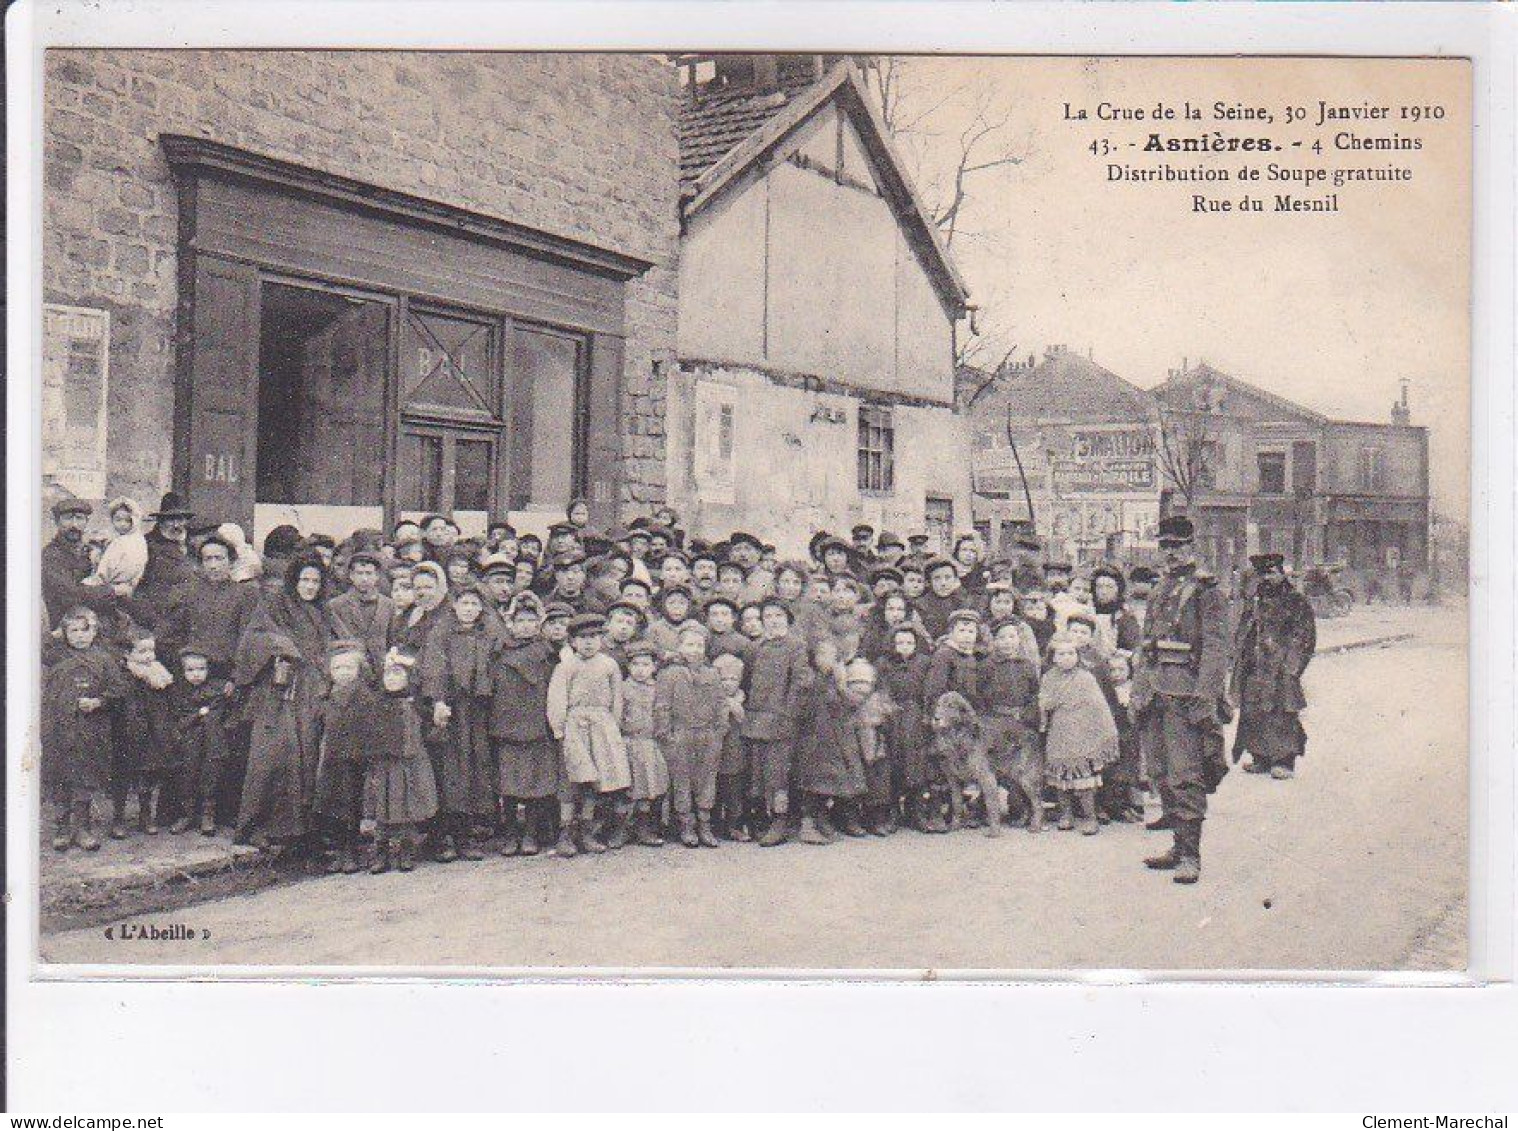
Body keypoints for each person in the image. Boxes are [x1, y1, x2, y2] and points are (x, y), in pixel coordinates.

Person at [1133, 515, 1231, 885]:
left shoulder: (1207, 591)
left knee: (1185, 773)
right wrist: (1140, 685)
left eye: (1177, 546)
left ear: (1192, 547)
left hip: (1186, 692)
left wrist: (1205, 696)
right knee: (1159, 769)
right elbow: (1147, 643)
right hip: (1156, 689)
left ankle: (1190, 854)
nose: (1170, 553)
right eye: (1165, 546)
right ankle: (1176, 845)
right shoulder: (1160, 588)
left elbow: (1217, 649)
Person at [232, 552, 334, 854]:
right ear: (294, 580)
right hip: (280, 691)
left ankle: (303, 829)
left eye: (316, 581)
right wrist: (284, 647)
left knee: (311, 756)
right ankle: (262, 827)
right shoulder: (275, 605)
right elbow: (255, 637)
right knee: (275, 757)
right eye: (305, 579)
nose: (310, 587)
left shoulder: (324, 612)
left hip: (313, 691)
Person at [419, 585, 499, 862]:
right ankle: (443, 837)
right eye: (464, 603)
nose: (469, 609)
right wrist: (439, 701)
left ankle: (466, 836)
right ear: (454, 606)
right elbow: (433, 667)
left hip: (477, 712)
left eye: (474, 604)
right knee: (449, 771)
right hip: (451, 712)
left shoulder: (488, 633)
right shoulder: (441, 632)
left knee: (474, 771)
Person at [546, 613, 631, 856]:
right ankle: (565, 834)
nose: (588, 643)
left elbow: (617, 698)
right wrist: (559, 729)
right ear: (572, 641)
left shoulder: (609, 665)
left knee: (595, 782)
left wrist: (612, 726)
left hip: (602, 726)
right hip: (575, 726)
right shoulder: (566, 666)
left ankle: (587, 832)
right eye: (582, 638)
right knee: (573, 781)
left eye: (594, 637)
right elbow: (557, 699)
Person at [43, 607, 124, 851]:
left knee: (84, 776)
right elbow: (37, 645)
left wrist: (98, 702)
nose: (79, 636)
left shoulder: (104, 659)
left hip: (91, 730)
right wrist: (55, 634)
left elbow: (118, 690)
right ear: (64, 633)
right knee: (60, 776)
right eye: (73, 630)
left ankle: (82, 828)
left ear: (94, 632)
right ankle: (62, 827)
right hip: (59, 728)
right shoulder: (56, 655)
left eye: (85, 630)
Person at [1230, 552, 1318, 780]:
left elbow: (1304, 635)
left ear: (1281, 572)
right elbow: (1244, 628)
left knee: (1282, 712)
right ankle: (1260, 757)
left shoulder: (1295, 600)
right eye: (1262, 574)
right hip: (1256, 665)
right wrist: (1239, 654)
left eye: (1271, 573)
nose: (1267, 578)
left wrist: (1292, 666)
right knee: (1253, 710)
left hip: (1281, 667)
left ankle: (1284, 760)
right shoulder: (1255, 600)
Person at [489, 594, 560, 857]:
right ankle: (511, 833)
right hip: (506, 725)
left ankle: (530, 833)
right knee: (508, 784)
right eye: (521, 620)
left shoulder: (547, 653)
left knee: (535, 784)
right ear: (511, 623)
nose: (526, 626)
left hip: (537, 725)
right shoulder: (499, 651)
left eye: (532, 620)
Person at [743, 598, 813, 846]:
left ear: (787, 620)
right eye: (768, 616)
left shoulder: (795, 647)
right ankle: (763, 816)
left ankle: (781, 820)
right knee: (759, 773)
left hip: (782, 719)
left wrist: (789, 716)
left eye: (778, 616)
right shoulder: (757, 647)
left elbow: (801, 684)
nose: (773, 621)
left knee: (778, 774)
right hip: (757, 719)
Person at [362, 652, 439, 874]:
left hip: (410, 762)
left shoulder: (416, 703)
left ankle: (407, 848)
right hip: (384, 764)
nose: (393, 679)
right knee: (383, 804)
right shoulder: (375, 703)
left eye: (398, 674)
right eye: (389, 675)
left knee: (407, 803)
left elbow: (428, 726)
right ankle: (382, 849)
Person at [653, 623, 727, 848]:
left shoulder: (712, 674)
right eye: (689, 645)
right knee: (682, 780)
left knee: (706, 780)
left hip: (707, 735)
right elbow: (662, 705)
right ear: (679, 647)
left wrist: (719, 730)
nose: (694, 650)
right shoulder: (669, 674)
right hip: (680, 734)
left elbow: (720, 703)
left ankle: (705, 824)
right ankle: (686, 824)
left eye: (699, 645)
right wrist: (666, 733)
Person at [1039, 632, 1118, 836]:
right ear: (1054, 657)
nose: (1067, 657)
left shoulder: (1086, 678)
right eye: (1062, 654)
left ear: (1077, 655)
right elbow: (1044, 702)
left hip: (1082, 732)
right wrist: (1047, 705)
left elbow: (1098, 707)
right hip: (1059, 731)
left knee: (1084, 779)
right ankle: (1066, 814)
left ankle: (1090, 817)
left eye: (1071, 653)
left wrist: (1103, 732)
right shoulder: (1048, 677)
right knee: (1060, 778)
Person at [110, 628, 178, 839]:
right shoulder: (124, 674)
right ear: (128, 653)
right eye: (142, 651)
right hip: (127, 731)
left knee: (147, 773)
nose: (149, 656)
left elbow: (164, 703)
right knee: (123, 775)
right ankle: (119, 817)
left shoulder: (158, 673)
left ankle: (145, 814)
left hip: (150, 731)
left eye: (151, 650)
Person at [312, 641, 373, 874]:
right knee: (332, 802)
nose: (343, 673)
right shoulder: (326, 696)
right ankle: (338, 850)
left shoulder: (365, 696)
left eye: (348, 667)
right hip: (332, 758)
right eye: (337, 668)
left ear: (359, 670)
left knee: (351, 803)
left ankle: (352, 850)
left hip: (355, 758)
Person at [980, 617, 1045, 832]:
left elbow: (1034, 695)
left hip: (1023, 724)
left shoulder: (1027, 665)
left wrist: (1028, 717)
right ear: (994, 641)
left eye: (1011, 637)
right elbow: (981, 697)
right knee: (1004, 770)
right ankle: (1015, 809)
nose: (1007, 642)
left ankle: (1033, 811)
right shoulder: (988, 666)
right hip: (997, 725)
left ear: (1019, 639)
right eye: (1002, 638)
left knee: (1024, 770)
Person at [171, 644, 228, 836]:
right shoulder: (179, 693)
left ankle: (207, 816)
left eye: (201, 669)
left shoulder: (217, 690)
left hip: (213, 740)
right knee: (188, 776)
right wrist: (198, 714)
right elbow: (179, 721)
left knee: (210, 775)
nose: (196, 674)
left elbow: (221, 712)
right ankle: (186, 815)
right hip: (190, 741)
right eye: (190, 670)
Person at [620, 641, 669, 847]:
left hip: (649, 744)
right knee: (626, 788)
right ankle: (621, 828)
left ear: (654, 667)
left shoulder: (657, 689)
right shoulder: (622, 688)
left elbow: (664, 714)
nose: (640, 670)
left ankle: (644, 827)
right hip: (628, 743)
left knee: (648, 787)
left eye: (645, 665)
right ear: (629, 666)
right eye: (636, 665)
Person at [326, 549, 395, 673]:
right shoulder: (336, 605)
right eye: (359, 573)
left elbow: (392, 640)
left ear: (377, 576)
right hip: (349, 671)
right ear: (351, 576)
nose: (364, 578)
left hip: (381, 671)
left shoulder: (389, 605)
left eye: (369, 573)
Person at [711, 651, 749, 841]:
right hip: (715, 751)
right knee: (714, 790)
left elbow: (745, 720)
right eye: (723, 678)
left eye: (733, 678)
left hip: (736, 751)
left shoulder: (743, 699)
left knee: (735, 790)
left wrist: (736, 707)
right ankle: (714, 825)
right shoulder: (712, 698)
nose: (728, 683)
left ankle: (735, 825)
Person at [86, 496, 149, 595]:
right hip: (130, 590)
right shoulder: (140, 540)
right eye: (118, 520)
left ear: (135, 521)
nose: (122, 524)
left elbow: (103, 573)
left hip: (111, 591)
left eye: (127, 520)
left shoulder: (119, 543)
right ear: (112, 520)